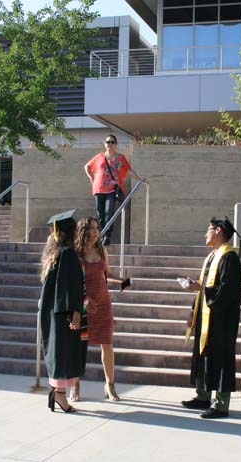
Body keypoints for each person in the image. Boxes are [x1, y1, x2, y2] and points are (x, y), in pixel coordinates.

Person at [180, 217, 241, 419]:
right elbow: (204, 286)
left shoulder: (229, 258)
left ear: (218, 231)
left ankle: (221, 405)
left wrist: (202, 289)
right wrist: (193, 310)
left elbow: (227, 292)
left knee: (221, 359)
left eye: (208, 230)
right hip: (205, 315)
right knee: (203, 355)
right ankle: (203, 396)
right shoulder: (212, 256)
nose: (205, 234)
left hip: (221, 320)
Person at [73, 216, 130, 401]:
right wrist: (84, 301)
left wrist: (123, 281)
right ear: (83, 231)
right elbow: (73, 283)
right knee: (79, 346)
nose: (96, 232)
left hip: (103, 304)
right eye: (92, 228)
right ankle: (75, 385)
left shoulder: (102, 250)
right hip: (83, 306)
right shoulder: (76, 253)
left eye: (98, 228)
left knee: (107, 344)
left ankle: (110, 386)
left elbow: (107, 275)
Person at [39, 209, 86, 413]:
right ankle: (59, 395)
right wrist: (75, 311)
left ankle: (57, 394)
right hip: (63, 313)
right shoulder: (68, 255)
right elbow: (71, 286)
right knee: (62, 352)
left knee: (57, 352)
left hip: (52, 312)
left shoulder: (54, 255)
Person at [84, 134, 146, 245]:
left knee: (109, 211)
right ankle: (101, 235)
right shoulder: (99, 157)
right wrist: (91, 177)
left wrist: (139, 178)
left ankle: (107, 235)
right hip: (99, 188)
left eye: (112, 142)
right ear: (104, 144)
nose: (110, 144)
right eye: (108, 142)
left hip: (112, 189)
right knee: (100, 213)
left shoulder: (120, 158)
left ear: (116, 144)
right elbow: (87, 167)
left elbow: (128, 170)